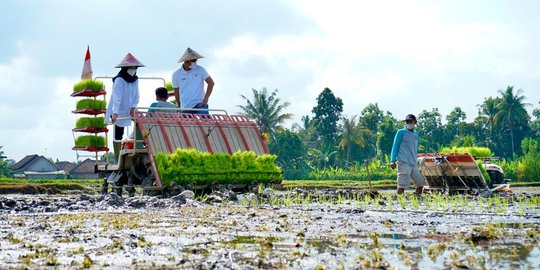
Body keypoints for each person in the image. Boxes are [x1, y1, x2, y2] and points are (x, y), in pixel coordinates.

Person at [104, 53, 145, 159]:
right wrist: (115, 113)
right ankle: (118, 157)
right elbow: (117, 98)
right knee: (118, 133)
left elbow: (137, 96)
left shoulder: (135, 80)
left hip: (130, 108)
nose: (133, 69)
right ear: (126, 68)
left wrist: (133, 107)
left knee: (140, 124)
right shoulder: (119, 80)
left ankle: (137, 148)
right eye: (131, 67)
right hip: (119, 110)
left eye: (135, 67)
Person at [389, 114, 427, 196]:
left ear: (415, 122)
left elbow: (414, 148)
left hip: (413, 163)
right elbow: (395, 146)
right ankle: (399, 201)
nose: (409, 123)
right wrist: (392, 160)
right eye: (407, 121)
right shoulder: (401, 132)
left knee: (420, 183)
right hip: (403, 162)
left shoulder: (416, 134)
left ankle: (416, 199)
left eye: (411, 121)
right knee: (402, 184)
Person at [172, 47, 215, 114]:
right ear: (187, 61)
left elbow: (211, 83)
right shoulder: (176, 74)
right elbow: (176, 92)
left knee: (205, 123)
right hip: (185, 106)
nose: (195, 62)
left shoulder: (200, 70)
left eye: (195, 60)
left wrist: (206, 99)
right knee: (186, 124)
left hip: (199, 104)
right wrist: (179, 107)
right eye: (194, 61)